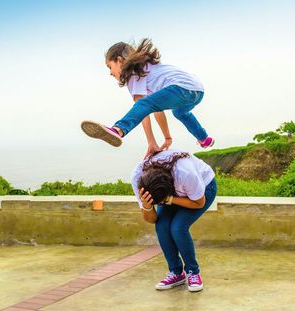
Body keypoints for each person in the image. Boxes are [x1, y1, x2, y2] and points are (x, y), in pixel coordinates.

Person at [81, 38, 214, 158]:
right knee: (180, 112)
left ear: (120, 60)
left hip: (180, 88)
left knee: (145, 105)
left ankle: (118, 130)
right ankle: (204, 138)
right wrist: (167, 137)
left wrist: (151, 141)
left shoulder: (134, 72)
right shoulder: (148, 67)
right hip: (197, 91)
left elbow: (143, 109)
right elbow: (157, 110)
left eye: (110, 67)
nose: (110, 73)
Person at [130, 149, 217, 292]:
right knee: (162, 227)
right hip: (169, 193)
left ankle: (193, 272)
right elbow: (151, 219)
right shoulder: (138, 178)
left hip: (203, 188)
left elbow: (198, 203)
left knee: (178, 227)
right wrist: (147, 206)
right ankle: (176, 273)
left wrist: (170, 199)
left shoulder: (185, 173)